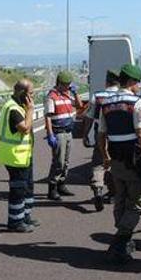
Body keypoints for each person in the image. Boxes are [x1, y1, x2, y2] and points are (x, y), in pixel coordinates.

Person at [97, 63, 141, 263]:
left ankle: (123, 239)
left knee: (120, 199)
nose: (139, 85)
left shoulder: (106, 103)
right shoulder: (137, 103)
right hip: (135, 160)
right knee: (137, 202)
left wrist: (105, 156)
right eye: (138, 82)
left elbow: (101, 134)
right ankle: (121, 241)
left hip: (116, 160)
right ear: (131, 82)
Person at [0, 79, 38, 232]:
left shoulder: (20, 106)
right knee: (18, 189)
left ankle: (25, 216)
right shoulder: (13, 108)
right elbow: (25, 128)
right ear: (22, 94)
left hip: (24, 155)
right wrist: (31, 110)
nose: (33, 97)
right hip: (15, 156)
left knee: (28, 187)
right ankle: (15, 222)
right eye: (31, 93)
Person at [83, 69, 120, 211]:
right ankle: (113, 193)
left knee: (98, 164)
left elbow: (89, 117)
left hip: (101, 136)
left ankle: (98, 190)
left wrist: (85, 134)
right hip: (118, 137)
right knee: (114, 165)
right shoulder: (122, 96)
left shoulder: (97, 96)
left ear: (107, 82)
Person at [45, 71, 82, 200]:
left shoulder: (67, 95)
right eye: (66, 84)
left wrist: (75, 92)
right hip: (59, 133)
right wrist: (50, 134)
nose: (68, 86)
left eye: (69, 84)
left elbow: (79, 105)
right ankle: (52, 188)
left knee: (66, 161)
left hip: (68, 132)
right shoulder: (52, 96)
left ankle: (62, 184)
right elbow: (48, 117)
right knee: (58, 162)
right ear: (59, 83)